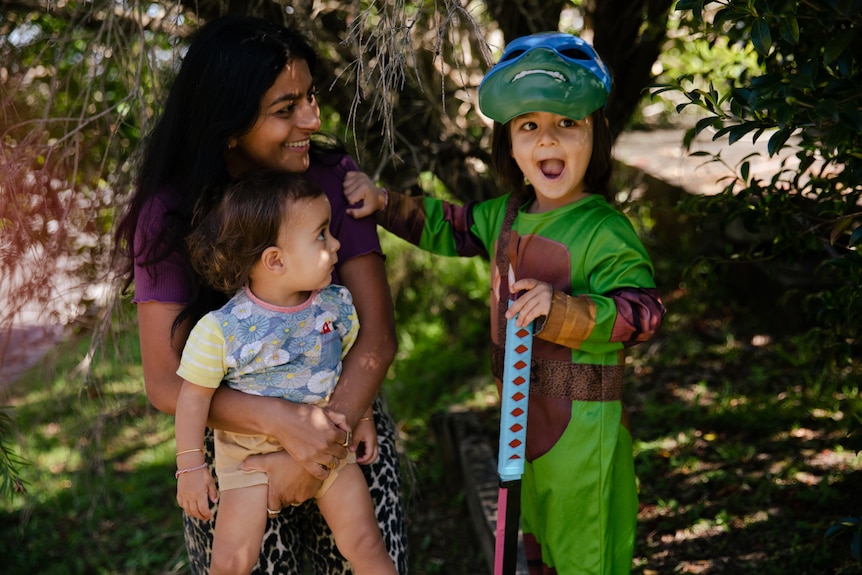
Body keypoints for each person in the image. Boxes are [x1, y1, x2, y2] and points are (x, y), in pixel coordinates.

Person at [344, 32, 665, 574]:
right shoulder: (506, 215)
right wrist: (382, 204)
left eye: (568, 123)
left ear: (597, 135)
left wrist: (561, 309)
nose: (548, 140)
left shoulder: (604, 230)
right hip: (523, 432)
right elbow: (452, 227)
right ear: (510, 146)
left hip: (584, 436)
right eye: (529, 126)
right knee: (537, 553)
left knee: (586, 558)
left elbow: (643, 313)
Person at [113, 15, 406, 575]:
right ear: (227, 124)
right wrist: (280, 424)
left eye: (311, 98)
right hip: (237, 465)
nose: (312, 119)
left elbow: (376, 336)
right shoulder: (169, 212)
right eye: (284, 108)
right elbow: (162, 379)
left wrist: (325, 441)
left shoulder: (331, 178)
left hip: (346, 427)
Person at [173, 170, 398, 575]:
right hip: (248, 461)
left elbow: (345, 365)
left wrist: (362, 419)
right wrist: (190, 467)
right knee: (230, 563)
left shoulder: (335, 305)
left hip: (329, 449)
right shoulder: (221, 329)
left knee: (365, 543)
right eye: (322, 235)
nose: (336, 244)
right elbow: (193, 398)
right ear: (275, 260)